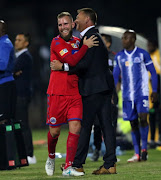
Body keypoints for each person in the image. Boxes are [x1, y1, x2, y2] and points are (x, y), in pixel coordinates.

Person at [51, 8, 117, 176]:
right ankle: (110, 164)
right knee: (106, 126)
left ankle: (77, 164)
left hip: (92, 89)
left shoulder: (89, 37)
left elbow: (83, 64)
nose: (75, 21)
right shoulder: (94, 35)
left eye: (78, 18)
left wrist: (63, 67)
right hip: (103, 88)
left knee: (84, 127)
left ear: (87, 20)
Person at [45, 12, 98, 176]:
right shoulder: (56, 42)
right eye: (60, 25)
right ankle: (51, 157)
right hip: (57, 94)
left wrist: (81, 49)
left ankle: (68, 167)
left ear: (72, 25)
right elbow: (73, 61)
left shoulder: (77, 42)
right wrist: (85, 47)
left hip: (74, 94)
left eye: (66, 24)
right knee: (54, 132)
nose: (63, 27)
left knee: (76, 127)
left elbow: (79, 64)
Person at [113, 30, 158, 162]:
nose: (123, 40)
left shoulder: (143, 54)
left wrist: (154, 90)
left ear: (133, 40)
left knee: (143, 119)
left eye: (126, 38)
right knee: (133, 123)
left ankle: (144, 149)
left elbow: (153, 73)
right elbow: (115, 75)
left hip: (142, 94)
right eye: (122, 38)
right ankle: (137, 153)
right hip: (127, 96)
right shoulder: (119, 56)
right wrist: (113, 92)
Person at [90, 34, 118, 162]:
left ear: (107, 44)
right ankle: (96, 149)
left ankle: (111, 152)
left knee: (110, 125)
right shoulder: (95, 56)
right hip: (97, 94)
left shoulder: (114, 57)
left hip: (110, 94)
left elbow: (117, 78)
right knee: (96, 125)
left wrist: (113, 94)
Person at [13, 33, 36, 164]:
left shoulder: (25, 57)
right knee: (18, 124)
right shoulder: (19, 56)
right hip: (18, 94)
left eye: (19, 40)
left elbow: (11, 69)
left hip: (22, 95)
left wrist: (12, 72)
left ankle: (29, 154)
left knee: (23, 124)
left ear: (26, 43)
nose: (16, 42)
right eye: (16, 39)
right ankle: (21, 153)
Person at [0, 20, 16, 125]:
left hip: (5, 84)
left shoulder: (4, 43)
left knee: (3, 120)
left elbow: (2, 65)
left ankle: (6, 142)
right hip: (5, 83)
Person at [147, 39, 161, 147]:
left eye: (150, 45)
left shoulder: (158, 56)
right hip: (150, 92)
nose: (148, 47)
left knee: (158, 115)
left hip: (158, 91)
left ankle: (159, 137)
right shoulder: (147, 57)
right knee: (151, 115)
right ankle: (152, 139)